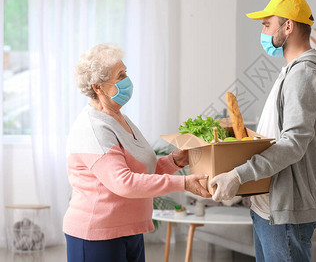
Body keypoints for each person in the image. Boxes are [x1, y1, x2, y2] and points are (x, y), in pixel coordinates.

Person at [210, 0, 316, 262]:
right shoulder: (290, 72)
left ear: (288, 26)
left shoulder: (304, 75)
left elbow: (292, 145)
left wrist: (238, 176)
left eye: (267, 24)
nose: (263, 30)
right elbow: (276, 135)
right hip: (269, 207)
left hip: (286, 210)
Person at [63, 43, 211, 262]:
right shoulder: (94, 128)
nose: (127, 80)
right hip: (97, 235)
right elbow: (124, 182)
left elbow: (142, 172)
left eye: (126, 73)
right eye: (120, 75)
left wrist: (175, 161)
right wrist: (184, 183)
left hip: (128, 230)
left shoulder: (118, 118)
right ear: (98, 87)